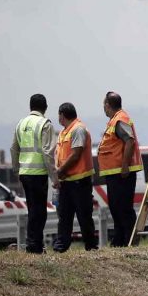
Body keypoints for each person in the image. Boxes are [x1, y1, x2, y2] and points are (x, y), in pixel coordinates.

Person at [10, 93, 59, 254]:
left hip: (25, 173)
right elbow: (47, 152)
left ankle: (33, 244)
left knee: (32, 209)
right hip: (38, 173)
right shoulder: (45, 124)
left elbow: (13, 149)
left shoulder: (21, 123)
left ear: (30, 107)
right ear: (45, 107)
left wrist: (17, 170)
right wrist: (54, 177)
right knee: (40, 212)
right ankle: (34, 245)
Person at [97, 91, 142, 246]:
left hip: (121, 173)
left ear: (107, 105)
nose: (103, 108)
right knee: (116, 208)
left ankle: (129, 241)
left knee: (123, 208)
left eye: (104, 104)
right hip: (114, 173)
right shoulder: (115, 120)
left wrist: (124, 165)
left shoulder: (120, 119)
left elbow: (130, 141)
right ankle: (119, 241)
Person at [54, 103, 97, 252]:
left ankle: (91, 246)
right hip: (66, 181)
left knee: (84, 216)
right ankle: (61, 247)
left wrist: (59, 171)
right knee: (64, 217)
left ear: (62, 115)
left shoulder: (78, 129)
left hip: (80, 182)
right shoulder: (63, 132)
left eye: (59, 115)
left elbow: (76, 154)